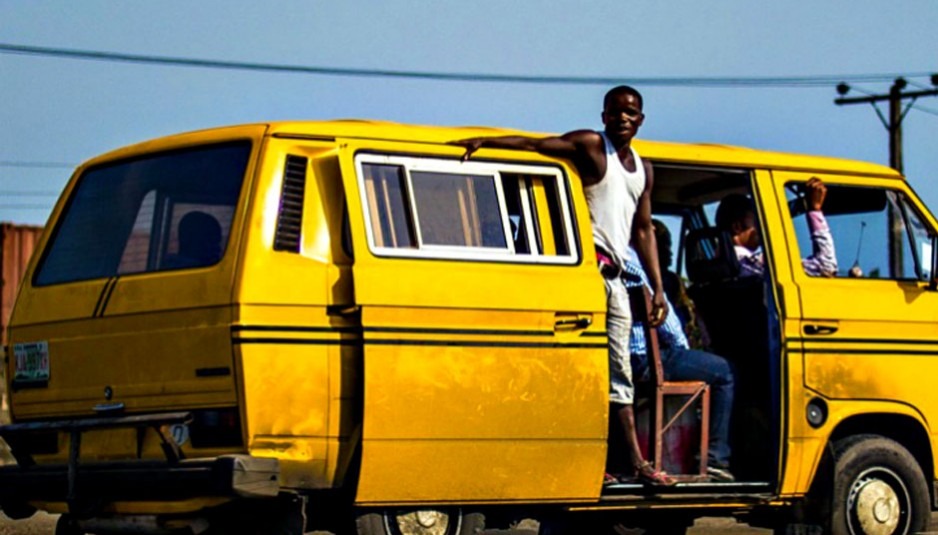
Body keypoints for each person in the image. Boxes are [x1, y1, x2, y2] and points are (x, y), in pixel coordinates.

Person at [450, 86, 673, 486]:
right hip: (586, 273)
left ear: (641, 120)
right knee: (581, 370)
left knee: (619, 373)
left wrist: (658, 288)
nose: (623, 118)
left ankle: (634, 464)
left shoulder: (643, 168)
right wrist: (488, 141)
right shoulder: (591, 146)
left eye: (631, 113)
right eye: (616, 112)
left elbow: (644, 231)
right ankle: (601, 462)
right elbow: (537, 145)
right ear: (604, 116)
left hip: (616, 281)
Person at [623, 250, 735, 482]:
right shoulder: (632, 261)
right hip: (643, 358)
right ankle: (715, 458)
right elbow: (669, 325)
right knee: (724, 371)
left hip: (619, 360)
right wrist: (684, 353)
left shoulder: (608, 260)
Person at [715, 177, 837, 278]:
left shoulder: (721, 267)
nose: (762, 226)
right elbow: (825, 267)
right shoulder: (746, 263)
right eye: (757, 220)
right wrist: (814, 210)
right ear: (737, 227)